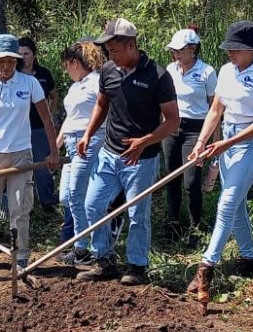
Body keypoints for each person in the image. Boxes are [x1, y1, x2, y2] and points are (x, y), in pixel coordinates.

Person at [76, 18, 179, 285]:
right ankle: (104, 260)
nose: (110, 56)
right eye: (108, 51)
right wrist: (88, 133)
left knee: (137, 214)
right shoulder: (109, 71)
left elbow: (172, 121)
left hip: (141, 159)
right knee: (93, 205)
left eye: (115, 50)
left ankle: (136, 266)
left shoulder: (157, 76)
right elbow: (102, 105)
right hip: (109, 153)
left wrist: (144, 141)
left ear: (131, 45)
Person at [186, 21, 253, 314]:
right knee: (235, 203)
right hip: (227, 138)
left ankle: (206, 266)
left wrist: (226, 145)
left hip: (250, 145)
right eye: (229, 49)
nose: (231, 54)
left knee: (226, 205)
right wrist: (201, 143)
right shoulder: (226, 72)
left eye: (236, 50)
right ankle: (249, 258)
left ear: (252, 50)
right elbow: (216, 110)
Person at [0, 34, 59, 276]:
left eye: (11, 61)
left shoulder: (29, 84)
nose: (6, 66)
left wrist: (53, 151)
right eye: (1, 61)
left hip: (22, 154)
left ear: (17, 61)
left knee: (20, 208)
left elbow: (46, 118)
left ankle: (21, 256)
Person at [163, 27, 218, 247]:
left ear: (192, 49)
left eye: (179, 50)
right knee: (170, 177)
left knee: (192, 181)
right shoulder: (170, 69)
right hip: (172, 127)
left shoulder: (207, 72)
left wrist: (213, 139)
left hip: (196, 129)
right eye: (174, 50)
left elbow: (215, 107)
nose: (176, 54)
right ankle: (173, 222)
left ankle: (196, 226)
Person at [55, 40, 107, 266]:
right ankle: (86, 238)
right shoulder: (75, 86)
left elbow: (106, 110)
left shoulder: (97, 82)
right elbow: (70, 117)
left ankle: (82, 248)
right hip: (71, 142)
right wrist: (56, 145)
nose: (66, 72)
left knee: (77, 194)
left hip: (90, 140)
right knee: (66, 197)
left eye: (66, 66)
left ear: (74, 62)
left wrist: (91, 136)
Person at [19, 36, 60, 212]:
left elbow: (54, 95)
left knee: (43, 166)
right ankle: (23, 205)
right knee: (19, 167)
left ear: (34, 55)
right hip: (18, 129)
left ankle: (48, 202)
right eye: (20, 54)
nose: (23, 57)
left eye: (26, 53)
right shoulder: (14, 75)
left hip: (39, 127)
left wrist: (48, 115)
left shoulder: (44, 74)